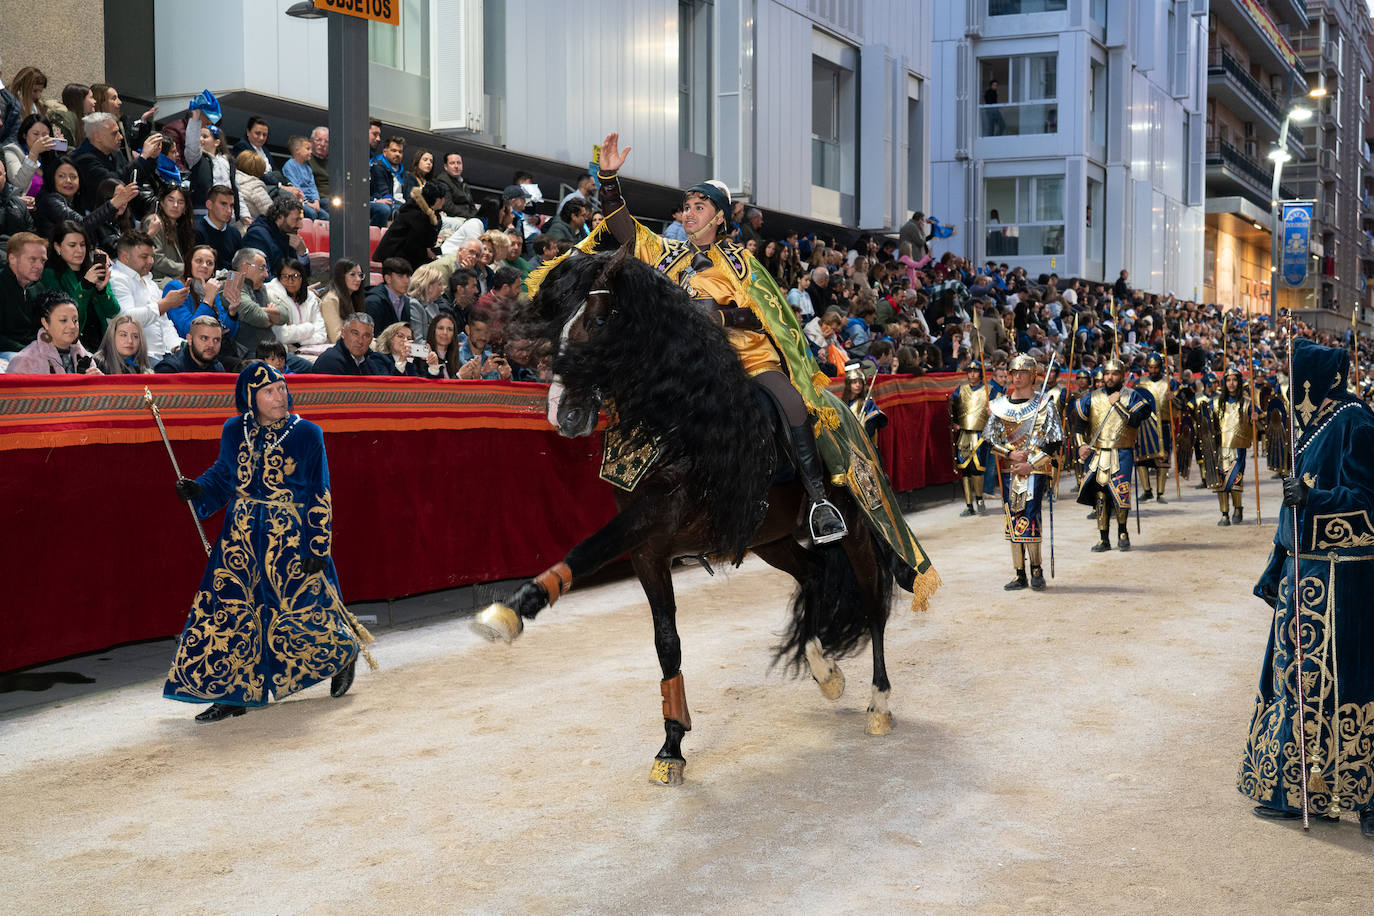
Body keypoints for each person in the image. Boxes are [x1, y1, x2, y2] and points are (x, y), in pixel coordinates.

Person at [164, 361, 361, 722]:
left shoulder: (307, 433)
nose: (280, 395)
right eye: (269, 391)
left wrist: (318, 546)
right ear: (250, 399)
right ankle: (233, 692)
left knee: (300, 610)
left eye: (282, 387)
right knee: (231, 611)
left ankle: (342, 653)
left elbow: (319, 491)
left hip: (288, 535)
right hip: (239, 536)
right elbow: (224, 474)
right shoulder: (233, 429)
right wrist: (199, 488)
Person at [1239, 338, 1374, 839]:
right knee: (1298, 682)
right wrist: (1278, 563)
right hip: (1307, 577)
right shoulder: (1315, 424)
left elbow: (1368, 501)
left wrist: (1315, 497)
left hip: (1342, 582)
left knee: (1346, 683)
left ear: (1313, 382)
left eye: (1294, 380)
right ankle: (1301, 789)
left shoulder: (1356, 422)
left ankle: (1364, 795)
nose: (1289, 390)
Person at [983, 354, 1064, 590]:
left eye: (1022, 372)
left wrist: (1032, 463)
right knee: (1011, 518)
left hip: (1035, 470)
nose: (1017, 376)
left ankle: (1036, 569)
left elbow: (1054, 440)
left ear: (1033, 376)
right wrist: (1009, 454)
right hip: (1010, 468)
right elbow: (989, 439)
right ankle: (1019, 573)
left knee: (1030, 513)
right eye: (1013, 372)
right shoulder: (999, 405)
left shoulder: (1045, 402)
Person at [1071, 357, 1152, 551]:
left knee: (1120, 492)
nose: (1109, 377)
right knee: (1101, 494)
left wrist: (1118, 404)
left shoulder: (1132, 396)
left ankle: (1123, 532)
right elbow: (1079, 426)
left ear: (1122, 376)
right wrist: (1081, 445)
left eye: (1114, 373)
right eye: (1106, 373)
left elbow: (1135, 420)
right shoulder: (1092, 397)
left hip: (1122, 451)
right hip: (1098, 453)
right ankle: (1103, 537)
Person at [37, 221, 120, 350]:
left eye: (82, 245)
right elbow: (67, 319)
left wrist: (102, 290)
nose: (79, 250)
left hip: (102, 343)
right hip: (73, 346)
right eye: (72, 245)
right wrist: (84, 287)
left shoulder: (93, 270)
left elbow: (113, 311)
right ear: (58, 247)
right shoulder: (50, 275)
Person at [107, 231, 186, 361]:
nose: (150, 261)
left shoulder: (150, 283)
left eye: (152, 256)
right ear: (125, 257)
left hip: (162, 355)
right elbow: (126, 319)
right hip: (133, 357)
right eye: (144, 256)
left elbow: (164, 323)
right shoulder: (115, 278)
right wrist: (165, 304)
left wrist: (177, 346)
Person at [33, 154, 139, 244]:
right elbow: (80, 226)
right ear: (52, 179)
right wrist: (115, 202)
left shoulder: (77, 203)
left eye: (73, 177)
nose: (68, 181)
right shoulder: (51, 201)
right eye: (61, 176)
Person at [5, 289, 101, 374]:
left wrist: (98, 382)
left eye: (75, 320)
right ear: (45, 323)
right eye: (63, 320)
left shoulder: (85, 357)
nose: (72, 326)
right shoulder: (24, 361)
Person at [1210, 365, 1254, 526]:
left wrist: (1256, 418)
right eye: (1228, 380)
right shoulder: (1215, 403)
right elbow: (1205, 423)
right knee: (1220, 481)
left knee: (1235, 480)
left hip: (1238, 448)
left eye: (1234, 380)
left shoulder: (1248, 403)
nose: (1231, 383)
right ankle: (1224, 513)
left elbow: (1262, 422)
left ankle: (1237, 508)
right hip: (1220, 448)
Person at [372, 184, 445, 274]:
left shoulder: (423, 211)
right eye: (443, 198)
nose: (444, 201)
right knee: (435, 270)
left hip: (406, 253)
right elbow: (415, 247)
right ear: (438, 200)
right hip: (394, 257)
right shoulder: (417, 215)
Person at [950, 360, 991, 517]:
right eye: (969, 371)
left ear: (980, 374)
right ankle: (969, 505)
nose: (972, 374)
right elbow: (951, 407)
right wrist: (954, 422)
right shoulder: (960, 390)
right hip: (964, 434)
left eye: (975, 371)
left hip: (980, 435)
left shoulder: (988, 390)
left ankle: (979, 499)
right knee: (965, 470)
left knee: (977, 468)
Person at [1133, 352, 1175, 503]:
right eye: (1150, 367)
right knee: (1141, 459)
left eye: (1156, 367)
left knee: (1162, 458)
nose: (1153, 370)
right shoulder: (1139, 382)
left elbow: (1181, 404)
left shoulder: (1169, 382)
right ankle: (1147, 491)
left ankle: (1160, 493)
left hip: (1163, 424)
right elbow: (1132, 401)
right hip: (1144, 425)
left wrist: (1173, 399)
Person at [266, 259, 327, 357]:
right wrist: (309, 328)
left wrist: (298, 339)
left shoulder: (310, 297)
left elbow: (322, 334)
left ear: (301, 278)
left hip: (313, 349)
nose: (290, 281)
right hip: (285, 352)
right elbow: (282, 335)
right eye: (285, 276)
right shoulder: (271, 295)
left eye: (295, 276)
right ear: (279, 278)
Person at [0, 230, 48, 355]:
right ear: (12, 259)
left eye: (43, 261)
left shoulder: (39, 288)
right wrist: (27, 351)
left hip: (33, 351)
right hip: (7, 354)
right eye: (33, 259)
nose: (39, 266)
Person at [242, 196, 309, 280]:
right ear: (280, 217)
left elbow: (303, 276)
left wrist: (302, 253)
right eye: (296, 220)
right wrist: (293, 288)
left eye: (301, 219)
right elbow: (263, 278)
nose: (300, 225)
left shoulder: (287, 234)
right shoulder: (257, 236)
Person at [310, 312, 393, 375]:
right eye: (355, 333)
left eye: (366, 336)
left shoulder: (370, 362)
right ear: (343, 333)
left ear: (372, 338)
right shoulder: (329, 361)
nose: (360, 341)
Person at [143, 185, 195, 285]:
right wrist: (188, 268)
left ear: (185, 208)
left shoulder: (182, 227)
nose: (175, 205)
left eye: (180, 202)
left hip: (177, 278)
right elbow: (156, 259)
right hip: (156, 279)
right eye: (171, 200)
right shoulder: (154, 222)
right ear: (162, 203)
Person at [4, 114, 59, 196]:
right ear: (24, 135)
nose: (40, 139)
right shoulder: (12, 151)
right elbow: (19, 184)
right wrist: (33, 153)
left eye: (44, 135)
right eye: (36, 134)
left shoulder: (49, 153)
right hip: (25, 205)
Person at [195, 185, 244, 270]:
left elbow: (238, 266)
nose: (229, 210)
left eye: (231, 206)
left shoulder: (235, 234)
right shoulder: (196, 231)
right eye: (223, 204)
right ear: (209, 205)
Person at [155, 314, 226, 373]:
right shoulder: (169, 369)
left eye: (216, 340)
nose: (211, 345)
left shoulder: (217, 367)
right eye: (204, 338)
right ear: (189, 339)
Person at [455, 309, 511, 380]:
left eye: (487, 332)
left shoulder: (492, 358)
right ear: (468, 330)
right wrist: (483, 373)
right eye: (478, 330)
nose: (483, 336)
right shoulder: (455, 358)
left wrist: (506, 377)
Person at [281, 136, 327, 221]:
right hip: (300, 201)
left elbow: (313, 187)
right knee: (312, 213)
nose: (311, 151)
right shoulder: (289, 166)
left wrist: (316, 201)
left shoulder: (308, 168)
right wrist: (308, 203)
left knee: (326, 215)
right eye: (308, 149)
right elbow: (296, 188)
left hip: (311, 201)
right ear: (297, 150)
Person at [320, 258, 365, 343]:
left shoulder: (353, 297)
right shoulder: (331, 300)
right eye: (352, 274)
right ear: (340, 277)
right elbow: (336, 338)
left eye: (360, 275)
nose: (358, 279)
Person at [365, 257, 415, 331]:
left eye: (408, 276)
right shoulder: (373, 301)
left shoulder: (406, 301)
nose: (406, 281)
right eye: (400, 276)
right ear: (388, 278)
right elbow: (371, 335)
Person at [369, 135, 407, 227]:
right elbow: (384, 194)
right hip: (387, 202)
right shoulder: (378, 166)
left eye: (400, 152)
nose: (397, 154)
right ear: (385, 152)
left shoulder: (402, 171)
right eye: (394, 151)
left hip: (399, 203)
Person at [406, 262, 448, 341]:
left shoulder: (434, 306)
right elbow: (417, 341)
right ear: (428, 286)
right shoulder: (414, 305)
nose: (442, 289)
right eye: (439, 284)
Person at [432, 152, 477, 220]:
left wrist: (475, 217)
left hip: (468, 219)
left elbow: (472, 205)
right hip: (453, 219)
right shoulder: (443, 180)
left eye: (459, 163)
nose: (456, 166)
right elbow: (448, 207)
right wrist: (470, 216)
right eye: (452, 163)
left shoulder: (464, 184)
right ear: (446, 167)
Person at [233, 150, 275, 223]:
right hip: (252, 228)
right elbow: (271, 214)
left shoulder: (231, 179)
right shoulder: (255, 186)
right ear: (259, 170)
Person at [421, 309, 462, 378]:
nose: (445, 333)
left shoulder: (458, 358)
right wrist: (459, 377)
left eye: (449, 329)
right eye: (440, 328)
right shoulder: (423, 356)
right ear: (433, 331)